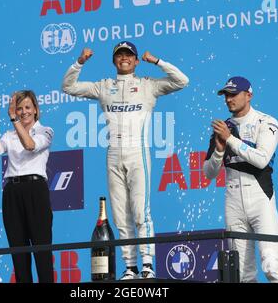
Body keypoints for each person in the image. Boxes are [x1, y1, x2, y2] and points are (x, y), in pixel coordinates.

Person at [62, 41, 189, 280]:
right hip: (113, 153)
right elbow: (68, 86)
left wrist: (158, 62)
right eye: (119, 55)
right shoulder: (103, 86)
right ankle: (130, 267)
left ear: (136, 60)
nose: (124, 58)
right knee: (120, 215)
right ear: (114, 61)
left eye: (129, 55)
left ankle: (148, 265)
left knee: (140, 212)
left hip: (137, 151)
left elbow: (182, 81)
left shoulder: (147, 85)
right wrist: (79, 62)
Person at [203, 76, 278, 283]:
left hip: (260, 196)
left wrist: (230, 139)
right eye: (226, 95)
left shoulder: (266, 121)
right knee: (242, 272)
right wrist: (219, 150)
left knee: (272, 264)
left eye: (233, 94)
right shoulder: (222, 127)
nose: (228, 99)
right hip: (233, 198)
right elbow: (209, 173)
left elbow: (261, 160)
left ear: (249, 95)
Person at [0, 90, 54, 283]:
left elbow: (30, 145)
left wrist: (14, 121)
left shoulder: (45, 130)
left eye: (27, 107)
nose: (23, 112)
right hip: (12, 192)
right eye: (19, 109)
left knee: (42, 252)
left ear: (35, 110)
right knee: (18, 254)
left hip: (35, 191)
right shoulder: (10, 134)